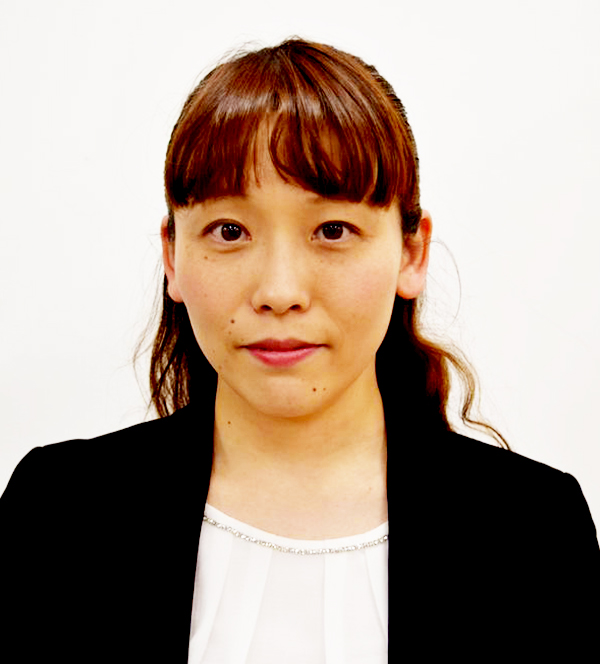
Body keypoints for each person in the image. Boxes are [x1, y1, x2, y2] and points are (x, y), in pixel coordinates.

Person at [1, 37, 598, 663]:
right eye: (230, 231)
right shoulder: (58, 512)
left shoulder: (535, 531)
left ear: (411, 253)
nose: (279, 292)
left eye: (332, 230)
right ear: (173, 255)